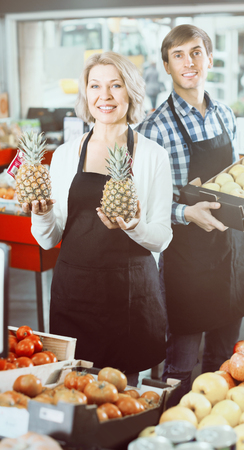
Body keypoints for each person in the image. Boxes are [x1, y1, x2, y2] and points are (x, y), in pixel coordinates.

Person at [22, 51, 173, 386]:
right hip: (75, 294)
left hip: (130, 295)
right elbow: (48, 238)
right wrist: (43, 214)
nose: (104, 96)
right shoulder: (64, 155)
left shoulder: (152, 155)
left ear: (130, 92)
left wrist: (134, 225)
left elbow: (162, 237)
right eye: (95, 86)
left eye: (115, 85)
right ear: (86, 94)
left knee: (123, 397)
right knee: (70, 391)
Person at [137, 24, 244, 403]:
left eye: (195, 52)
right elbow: (147, 205)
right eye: (178, 55)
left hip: (231, 253)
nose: (188, 62)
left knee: (225, 361)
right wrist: (185, 211)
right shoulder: (153, 128)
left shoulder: (225, 114)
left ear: (209, 58)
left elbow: (232, 180)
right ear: (166, 65)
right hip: (187, 259)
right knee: (180, 366)